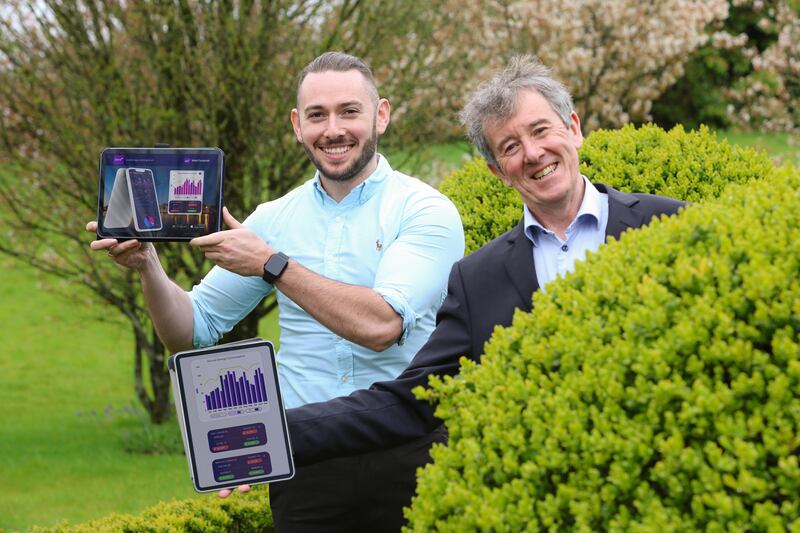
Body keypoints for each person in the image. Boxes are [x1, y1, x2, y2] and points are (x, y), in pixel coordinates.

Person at [87, 51, 464, 532]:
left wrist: (273, 265)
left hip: (408, 450)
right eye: (316, 115)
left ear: (381, 115)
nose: (333, 130)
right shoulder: (273, 218)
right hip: (304, 460)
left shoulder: (424, 210)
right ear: (296, 124)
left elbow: (381, 324)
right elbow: (192, 330)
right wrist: (147, 266)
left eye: (349, 111)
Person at [283, 55, 686, 467]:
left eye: (541, 130)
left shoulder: (672, 224)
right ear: (498, 172)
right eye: (510, 147)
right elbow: (411, 401)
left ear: (574, 129)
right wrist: (275, 434)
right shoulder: (478, 280)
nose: (532, 153)